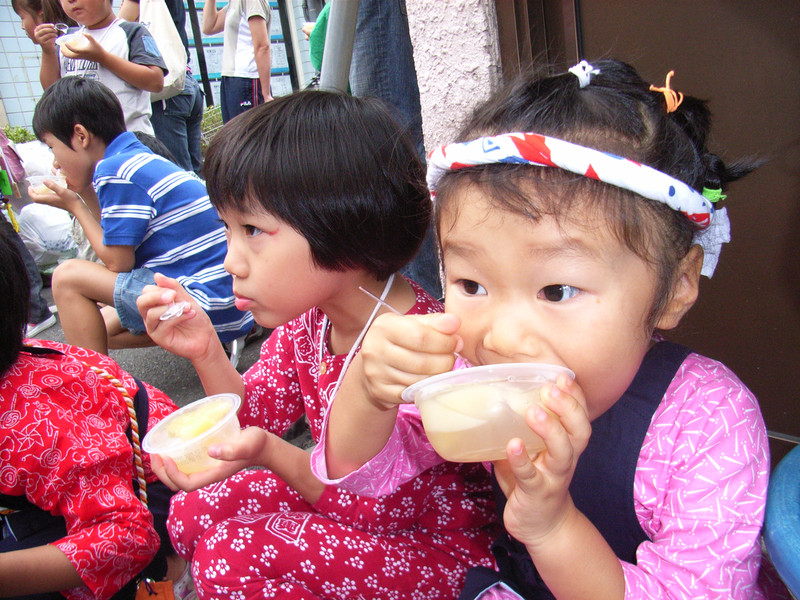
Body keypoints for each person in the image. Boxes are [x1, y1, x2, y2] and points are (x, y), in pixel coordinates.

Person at [314, 60, 775, 599]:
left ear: (677, 286)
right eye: (471, 284)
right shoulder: (467, 375)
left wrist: (553, 528)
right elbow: (360, 472)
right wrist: (369, 392)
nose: (501, 338)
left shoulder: (708, 425)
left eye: (556, 291)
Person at [136, 90, 497, 599]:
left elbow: (365, 504)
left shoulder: (421, 351)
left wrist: (268, 453)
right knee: (191, 510)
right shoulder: (311, 322)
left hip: (435, 552)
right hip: (353, 518)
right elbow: (253, 415)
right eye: (227, 229)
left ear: (343, 226)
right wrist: (205, 349)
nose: (230, 261)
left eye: (252, 229)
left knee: (230, 557)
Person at [0, 221, 187, 599]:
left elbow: (127, 535)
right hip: (105, 456)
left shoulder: (28, 426)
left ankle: (170, 568)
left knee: (68, 278)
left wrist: (76, 204)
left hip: (158, 486)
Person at [29, 76, 253, 355]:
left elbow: (118, 262)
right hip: (231, 301)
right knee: (96, 325)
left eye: (52, 147)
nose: (55, 161)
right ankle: (204, 345)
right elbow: (113, 237)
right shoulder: (134, 158)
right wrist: (84, 192)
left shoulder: (115, 170)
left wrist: (75, 205)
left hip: (206, 303)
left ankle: (93, 380)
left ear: (81, 136)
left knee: (67, 277)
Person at [39, 0, 166, 135]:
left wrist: (102, 57)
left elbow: (155, 82)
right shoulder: (67, 40)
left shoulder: (131, 31)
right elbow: (51, 90)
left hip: (130, 137)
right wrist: (47, 51)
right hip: (85, 142)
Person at [118, 0, 205, 175]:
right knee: (193, 173)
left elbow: (118, 29)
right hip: (186, 82)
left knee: (175, 173)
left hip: (166, 93)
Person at [202, 0, 272, 123]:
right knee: (233, 133)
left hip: (247, 79)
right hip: (231, 79)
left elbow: (262, 46)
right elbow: (209, 27)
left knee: (249, 133)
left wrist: (266, 95)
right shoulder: (234, 3)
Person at [11, 0, 77, 89]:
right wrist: (47, 52)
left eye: (22, 18)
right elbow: (50, 90)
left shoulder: (78, 38)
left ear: (41, 16)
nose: (22, 26)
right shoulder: (51, 50)